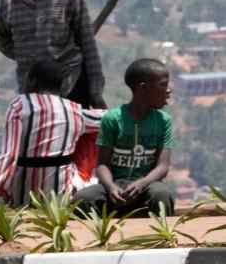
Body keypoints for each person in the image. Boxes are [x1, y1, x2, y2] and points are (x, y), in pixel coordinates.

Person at [0, 59, 103, 206]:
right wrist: (97, 99)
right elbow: (109, 119)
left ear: (32, 80)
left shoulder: (19, 106)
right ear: (63, 85)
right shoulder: (74, 110)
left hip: (22, 198)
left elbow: (10, 155)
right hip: (60, 199)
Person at [74, 59, 175, 216]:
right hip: (114, 187)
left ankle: (163, 237)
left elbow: (162, 167)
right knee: (82, 199)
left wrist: (142, 183)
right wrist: (110, 187)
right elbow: (102, 165)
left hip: (146, 186)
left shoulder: (163, 121)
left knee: (161, 194)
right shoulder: (113, 118)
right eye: (163, 85)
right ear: (143, 88)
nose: (169, 90)